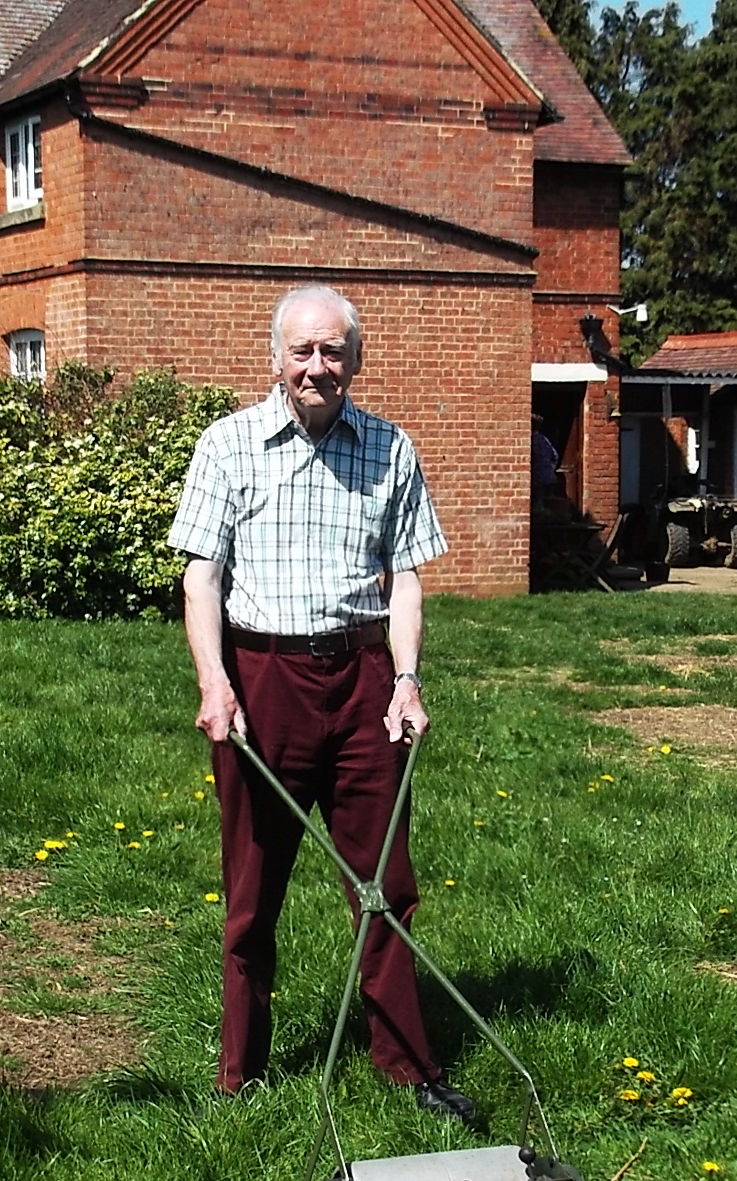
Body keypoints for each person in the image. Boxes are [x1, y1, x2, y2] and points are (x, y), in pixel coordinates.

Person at [167, 286, 478, 1125]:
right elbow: (201, 576)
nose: (317, 367)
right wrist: (214, 680)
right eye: (302, 351)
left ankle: (408, 1069)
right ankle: (240, 1075)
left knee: (385, 885)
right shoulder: (228, 446)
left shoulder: (388, 448)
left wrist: (407, 679)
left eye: (333, 351)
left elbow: (406, 576)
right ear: (275, 358)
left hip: (363, 682)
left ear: (355, 361)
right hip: (262, 681)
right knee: (252, 890)